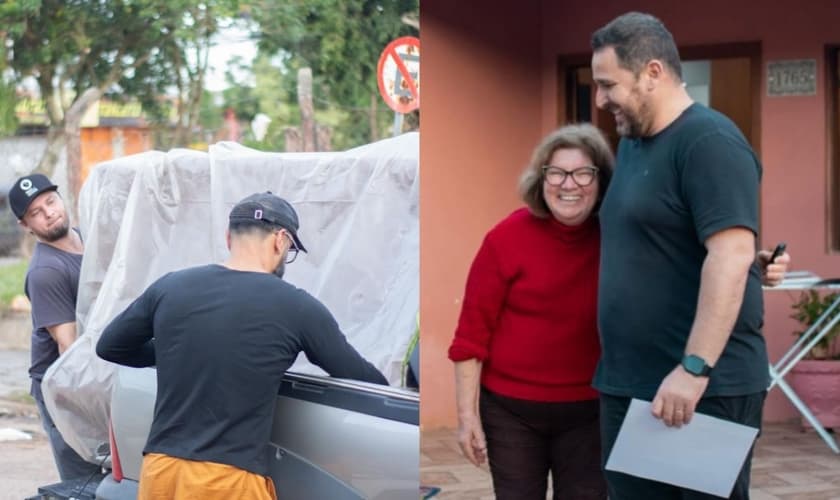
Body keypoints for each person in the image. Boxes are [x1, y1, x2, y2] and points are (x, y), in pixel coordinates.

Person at [590, 12, 786, 499]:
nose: (599, 99)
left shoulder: (709, 142)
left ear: (652, 73)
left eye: (608, 84)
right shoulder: (635, 145)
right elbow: (676, 243)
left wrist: (693, 369)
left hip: (698, 390)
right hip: (632, 383)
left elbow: (729, 254)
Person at [96, 192, 388, 500]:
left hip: (161, 472)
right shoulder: (298, 307)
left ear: (228, 237)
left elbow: (111, 346)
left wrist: (179, 348)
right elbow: (364, 380)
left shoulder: (170, 286)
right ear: (281, 240)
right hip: (228, 482)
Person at [449, 124, 614, 500]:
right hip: (512, 412)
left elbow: (680, 263)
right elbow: (470, 339)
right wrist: (466, 417)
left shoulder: (617, 237)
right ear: (541, 179)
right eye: (556, 172)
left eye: (583, 173)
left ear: (601, 181)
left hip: (591, 410)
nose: (568, 184)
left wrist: (750, 261)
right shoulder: (505, 239)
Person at [9, 174, 101, 481]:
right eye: (36, 212)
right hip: (64, 388)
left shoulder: (89, 240)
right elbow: (69, 346)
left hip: (97, 374)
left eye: (50, 201)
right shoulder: (46, 271)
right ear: (26, 225)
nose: (49, 213)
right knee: (84, 480)